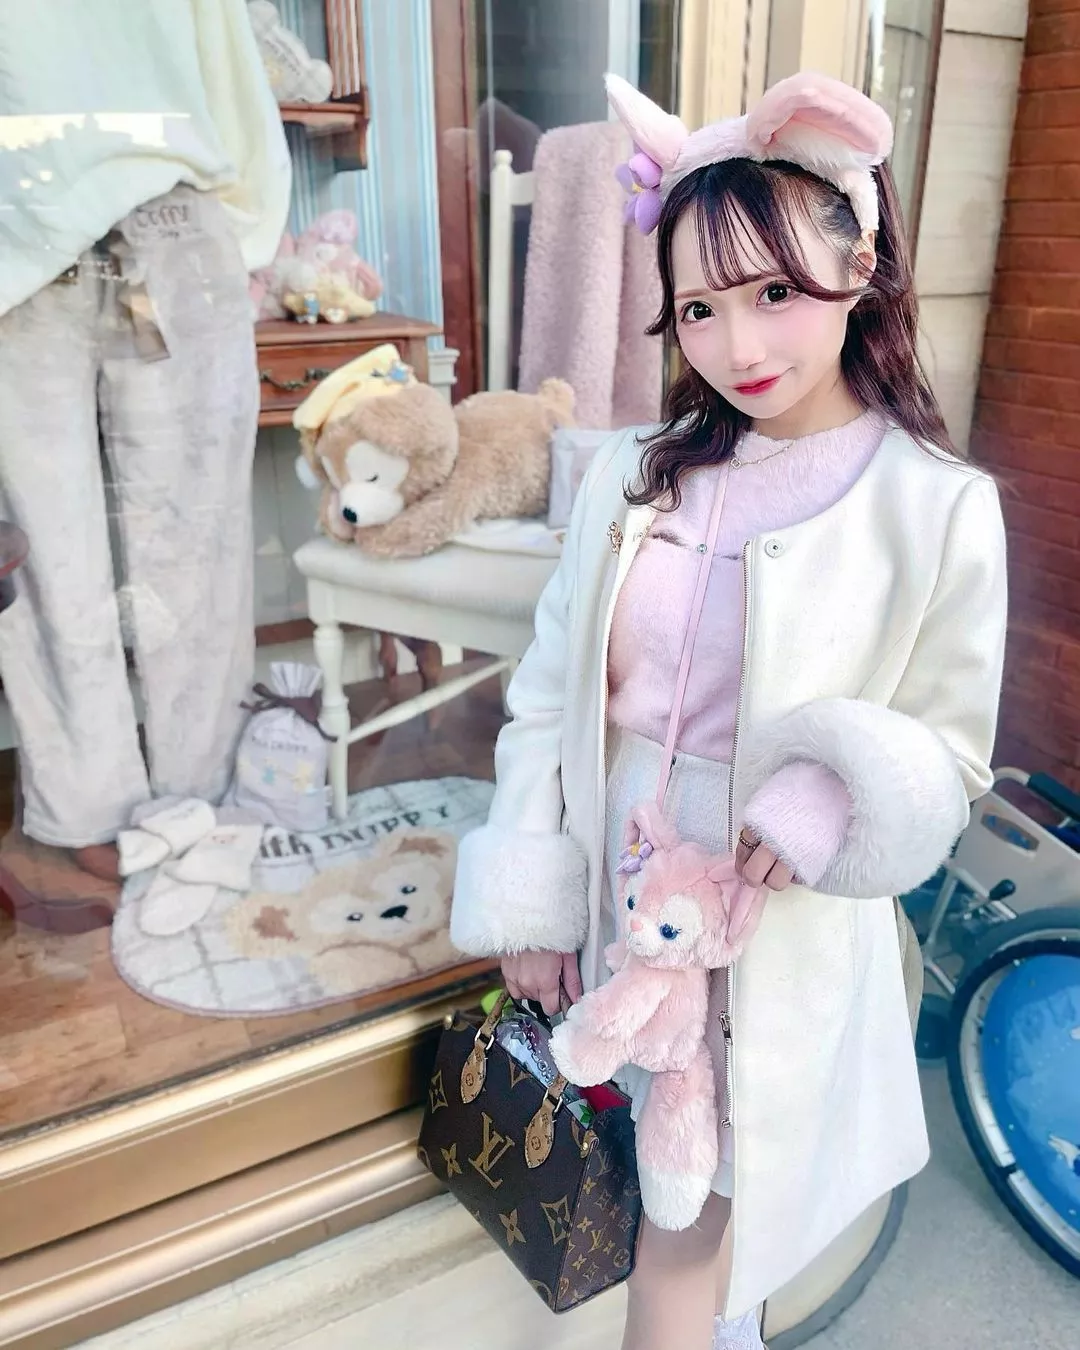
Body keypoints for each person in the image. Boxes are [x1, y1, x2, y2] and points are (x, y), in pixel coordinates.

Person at [450, 71, 1007, 1350]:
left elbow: (951, 752)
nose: (738, 348)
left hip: (779, 920)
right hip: (620, 880)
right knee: (675, 1187)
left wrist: (824, 799)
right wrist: (531, 894)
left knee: (705, 1199)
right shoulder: (633, 477)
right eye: (700, 308)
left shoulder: (935, 506)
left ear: (860, 265)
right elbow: (550, 691)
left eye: (774, 294)